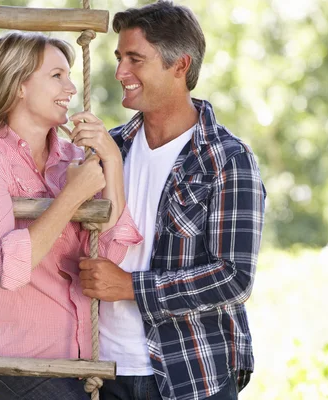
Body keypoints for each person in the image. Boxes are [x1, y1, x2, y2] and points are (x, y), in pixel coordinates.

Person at [77, 2, 266, 400]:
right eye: (118, 58)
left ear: (179, 65)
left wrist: (131, 287)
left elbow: (234, 277)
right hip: (103, 371)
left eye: (135, 59)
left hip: (190, 374)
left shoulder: (228, 159)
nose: (119, 73)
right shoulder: (109, 149)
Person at [0, 31, 141, 400]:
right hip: (17, 361)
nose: (71, 88)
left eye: (69, 76)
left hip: (80, 361)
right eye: (57, 75)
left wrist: (112, 159)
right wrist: (72, 196)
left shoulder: (74, 159)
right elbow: (8, 270)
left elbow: (108, 255)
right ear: (19, 84)